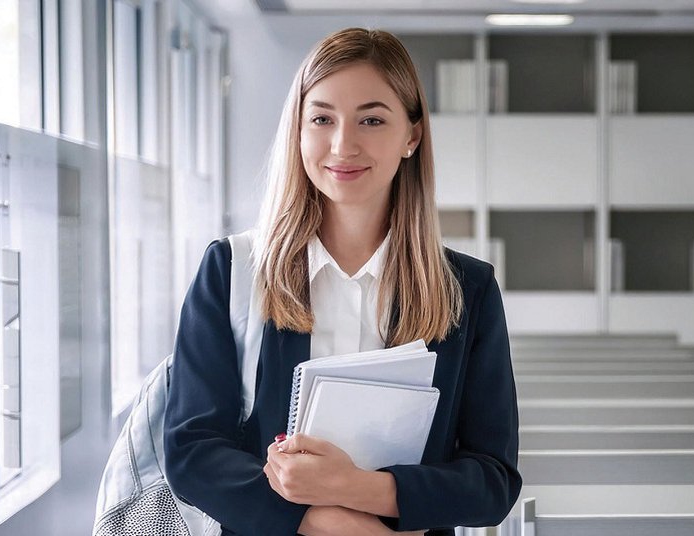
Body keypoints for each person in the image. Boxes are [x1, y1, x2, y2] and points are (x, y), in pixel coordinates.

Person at [163, 27, 521, 536]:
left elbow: (492, 481)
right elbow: (191, 450)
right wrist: (324, 521)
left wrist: (356, 489)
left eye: (371, 119)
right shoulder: (232, 270)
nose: (342, 144)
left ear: (412, 136)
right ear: (299, 129)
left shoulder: (468, 289)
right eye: (322, 119)